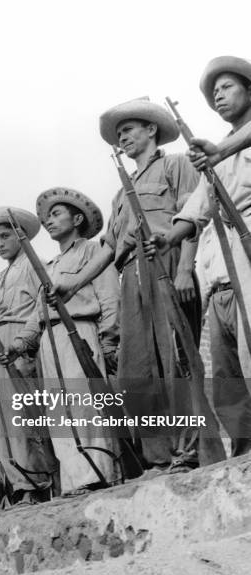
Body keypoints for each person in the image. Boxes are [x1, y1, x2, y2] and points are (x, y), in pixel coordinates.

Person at [50, 99, 201, 471]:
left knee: (176, 358)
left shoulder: (175, 164)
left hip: (166, 263)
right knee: (138, 367)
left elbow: (194, 215)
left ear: (151, 130)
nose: (123, 139)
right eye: (119, 135)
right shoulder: (121, 193)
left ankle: (188, 450)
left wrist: (184, 269)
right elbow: (108, 248)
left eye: (129, 130)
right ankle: (158, 456)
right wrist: (73, 285)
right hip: (130, 276)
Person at [7, 188, 121, 495]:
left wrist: (110, 339)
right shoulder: (51, 265)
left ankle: (96, 473)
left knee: (84, 404)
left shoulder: (92, 252)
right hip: (50, 339)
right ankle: (73, 481)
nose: (49, 222)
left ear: (78, 218)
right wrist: (20, 342)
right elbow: (37, 312)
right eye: (46, 218)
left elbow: (110, 296)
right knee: (59, 410)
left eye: (56, 215)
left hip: (80, 332)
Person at [146, 56, 251, 385]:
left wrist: (221, 149)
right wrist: (170, 237)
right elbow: (198, 207)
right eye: (214, 91)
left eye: (227, 87)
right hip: (223, 276)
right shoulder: (217, 159)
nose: (218, 95)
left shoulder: (226, 148)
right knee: (227, 382)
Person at [0, 207, 56, 504]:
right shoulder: (0, 278)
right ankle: (20, 485)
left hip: (21, 344)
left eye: (5, 235)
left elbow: (41, 307)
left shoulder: (35, 266)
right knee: (3, 421)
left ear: (20, 235)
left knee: (28, 417)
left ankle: (39, 482)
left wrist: (23, 342)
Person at [197, 222, 251, 455]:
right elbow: (204, 276)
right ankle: (244, 449)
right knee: (226, 377)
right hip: (218, 297)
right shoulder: (207, 232)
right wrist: (202, 309)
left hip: (246, 291)